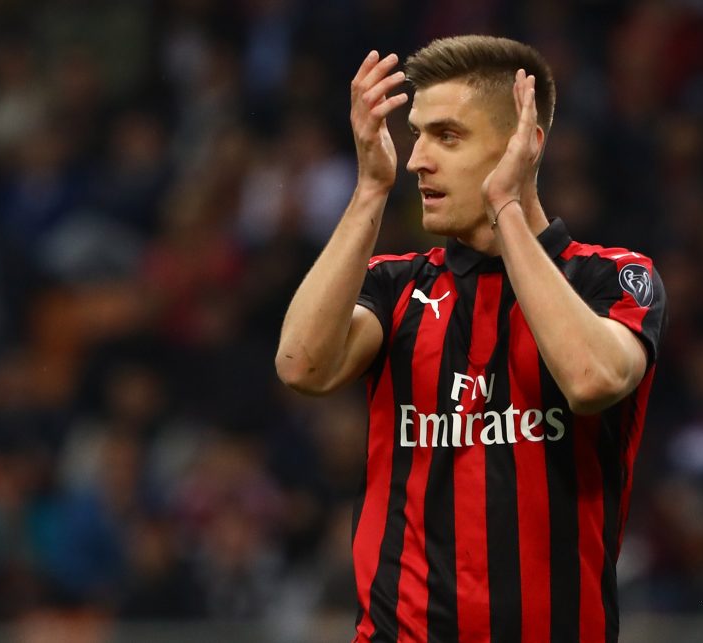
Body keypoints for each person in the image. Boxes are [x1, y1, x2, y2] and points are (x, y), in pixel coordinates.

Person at [275, 35, 666, 643]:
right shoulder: (396, 285)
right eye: (417, 134)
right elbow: (302, 366)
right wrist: (369, 190)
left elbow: (591, 380)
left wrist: (505, 204)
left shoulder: (610, 276)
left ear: (525, 144)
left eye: (447, 136)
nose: (417, 160)